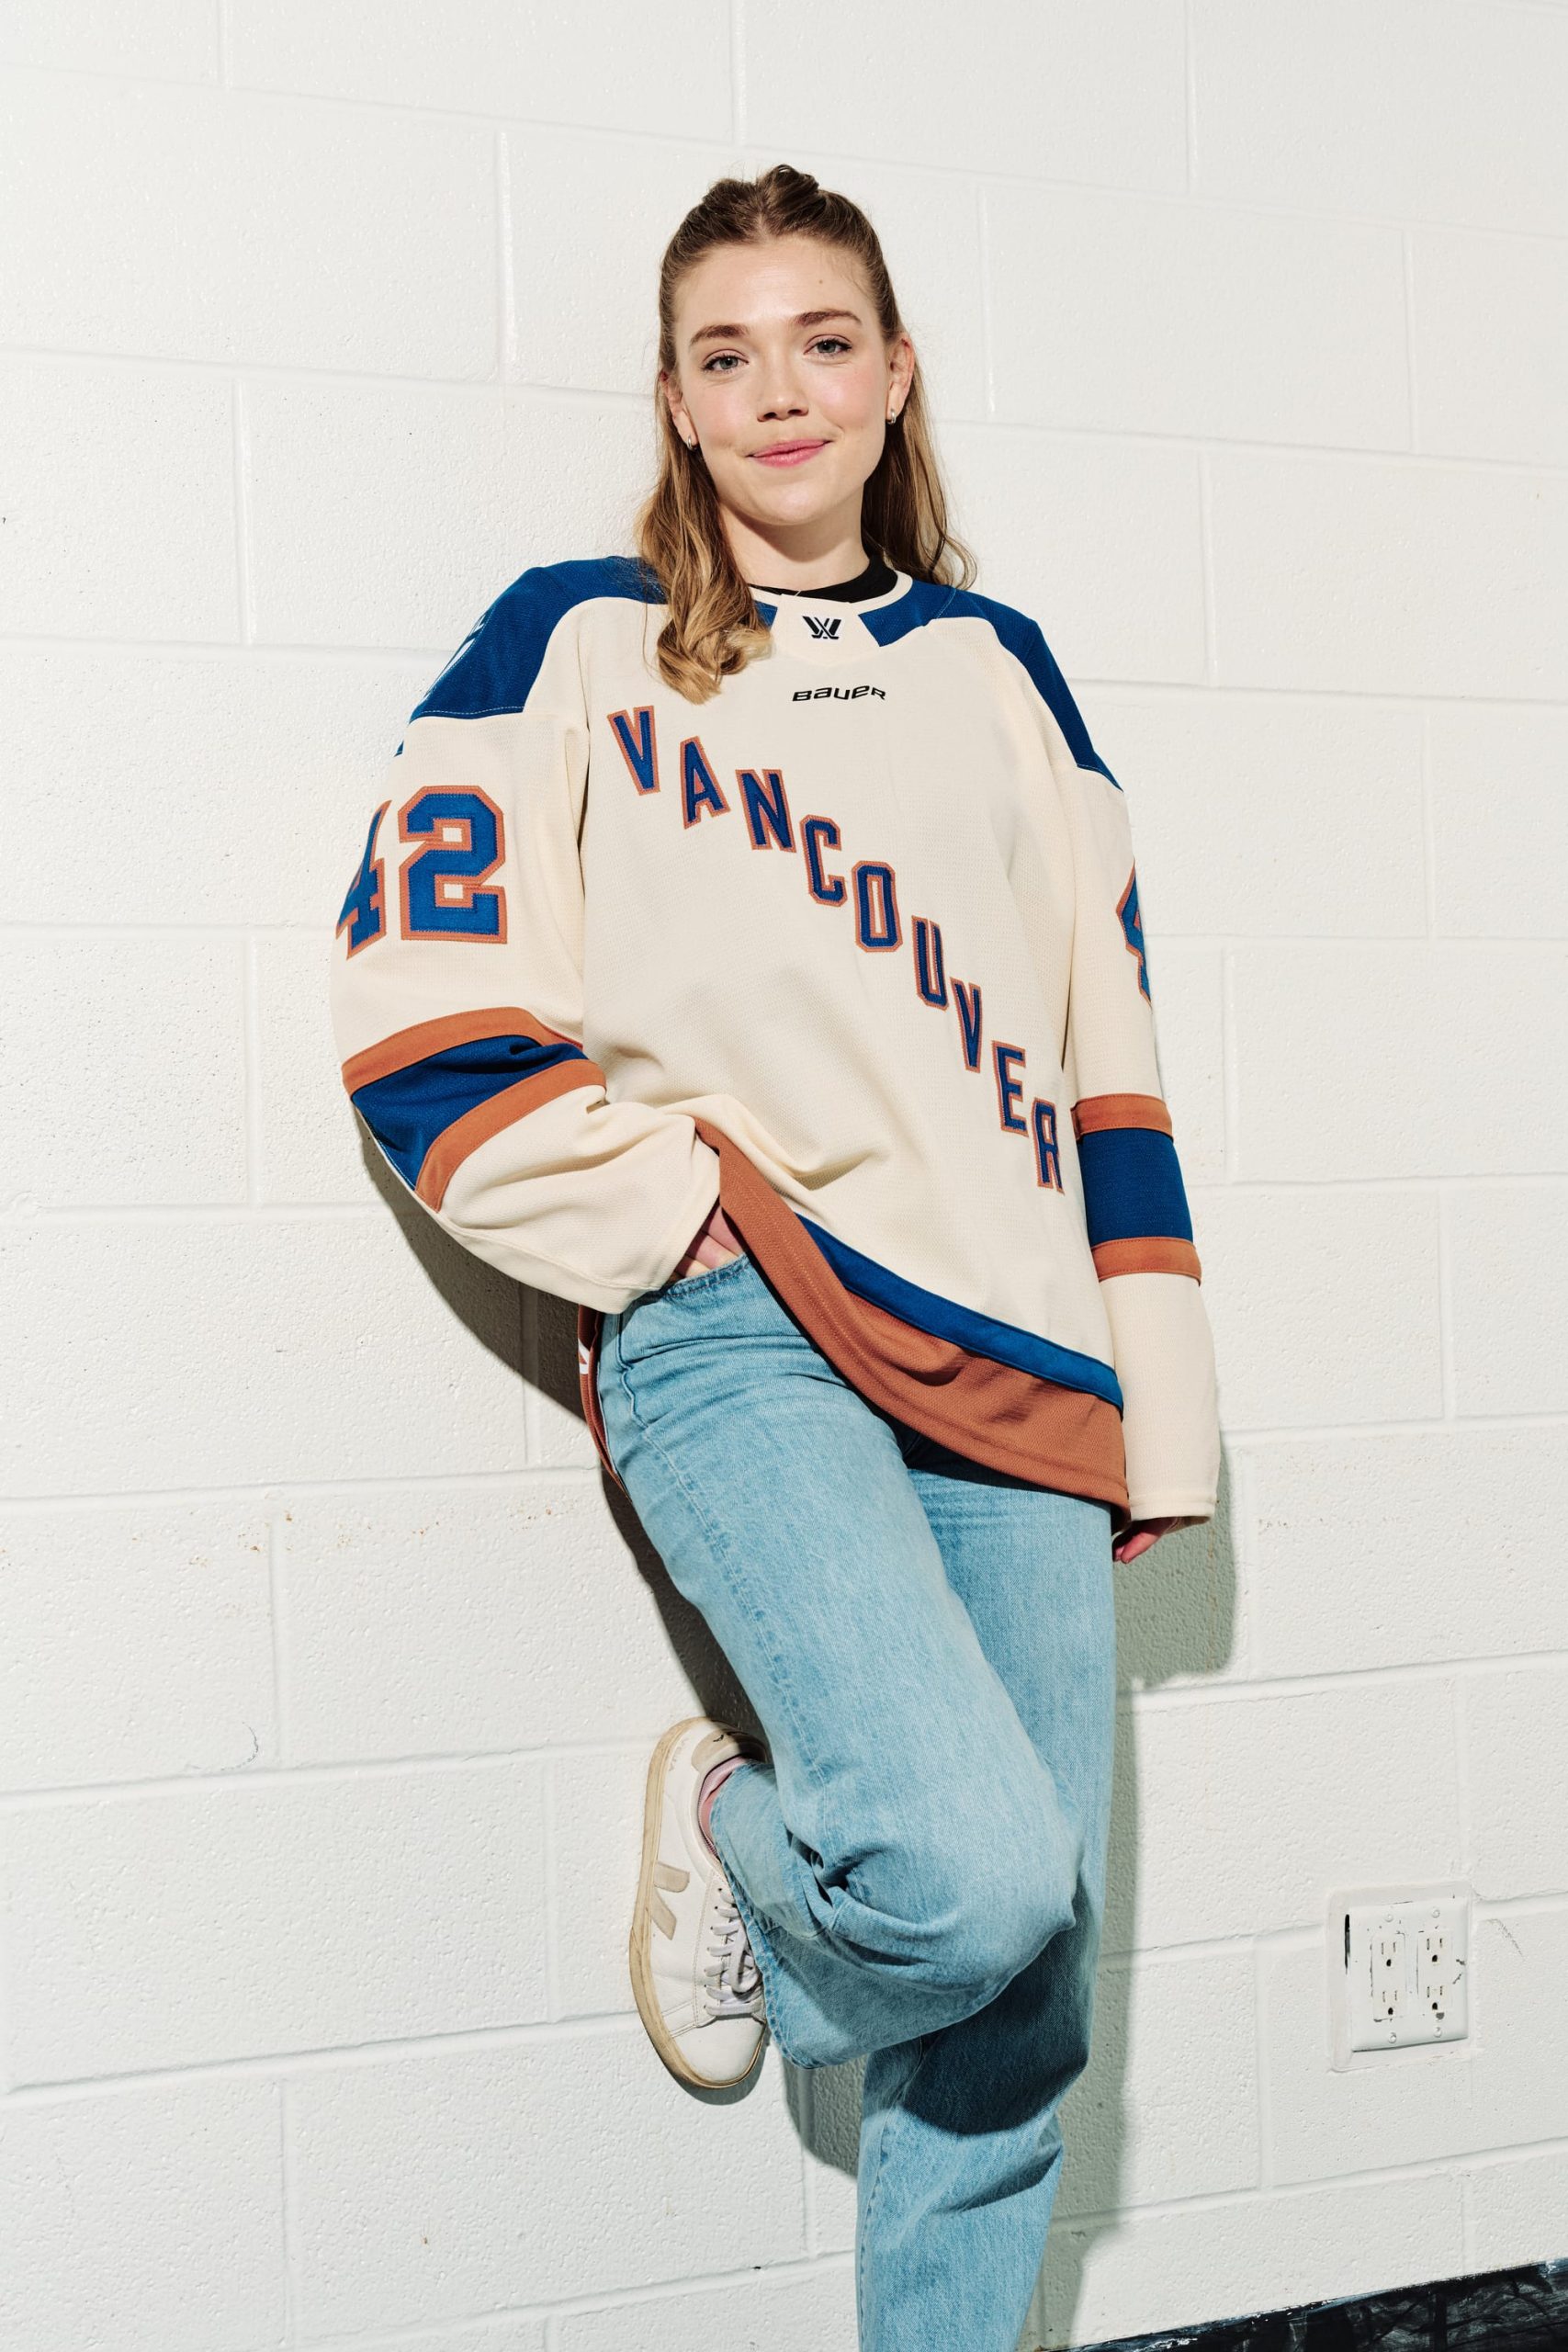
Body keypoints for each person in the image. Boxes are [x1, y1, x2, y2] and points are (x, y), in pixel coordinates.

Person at [329, 162, 1219, 2352]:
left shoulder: (1001, 672)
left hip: (1017, 1351)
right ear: (675, 397)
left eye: (822, 341)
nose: (779, 390)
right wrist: (667, 1215)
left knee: (1023, 2007)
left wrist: (1151, 1405)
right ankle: (735, 1823)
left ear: (894, 371)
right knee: (971, 1881)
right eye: (724, 355)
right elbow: (412, 995)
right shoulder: (572, 637)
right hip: (742, 1328)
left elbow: (1106, 1051)